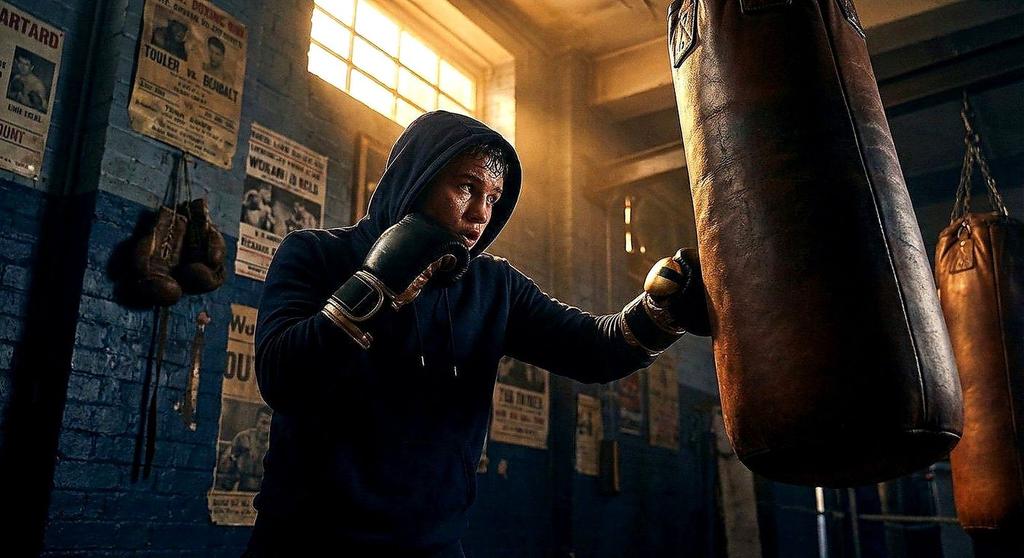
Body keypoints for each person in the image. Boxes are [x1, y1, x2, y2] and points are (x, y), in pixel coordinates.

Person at [247, 111, 710, 556]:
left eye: (492, 197)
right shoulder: (314, 254)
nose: (479, 213)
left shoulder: (493, 286)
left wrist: (661, 314)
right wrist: (374, 285)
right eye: (466, 187)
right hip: (303, 538)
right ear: (418, 178)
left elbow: (594, 348)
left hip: (431, 544)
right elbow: (280, 378)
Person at [216, 406, 272, 492]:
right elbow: (222, 468)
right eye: (264, 423)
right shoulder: (243, 437)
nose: (267, 429)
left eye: (272, 425)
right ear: (256, 422)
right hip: (241, 491)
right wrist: (235, 454)